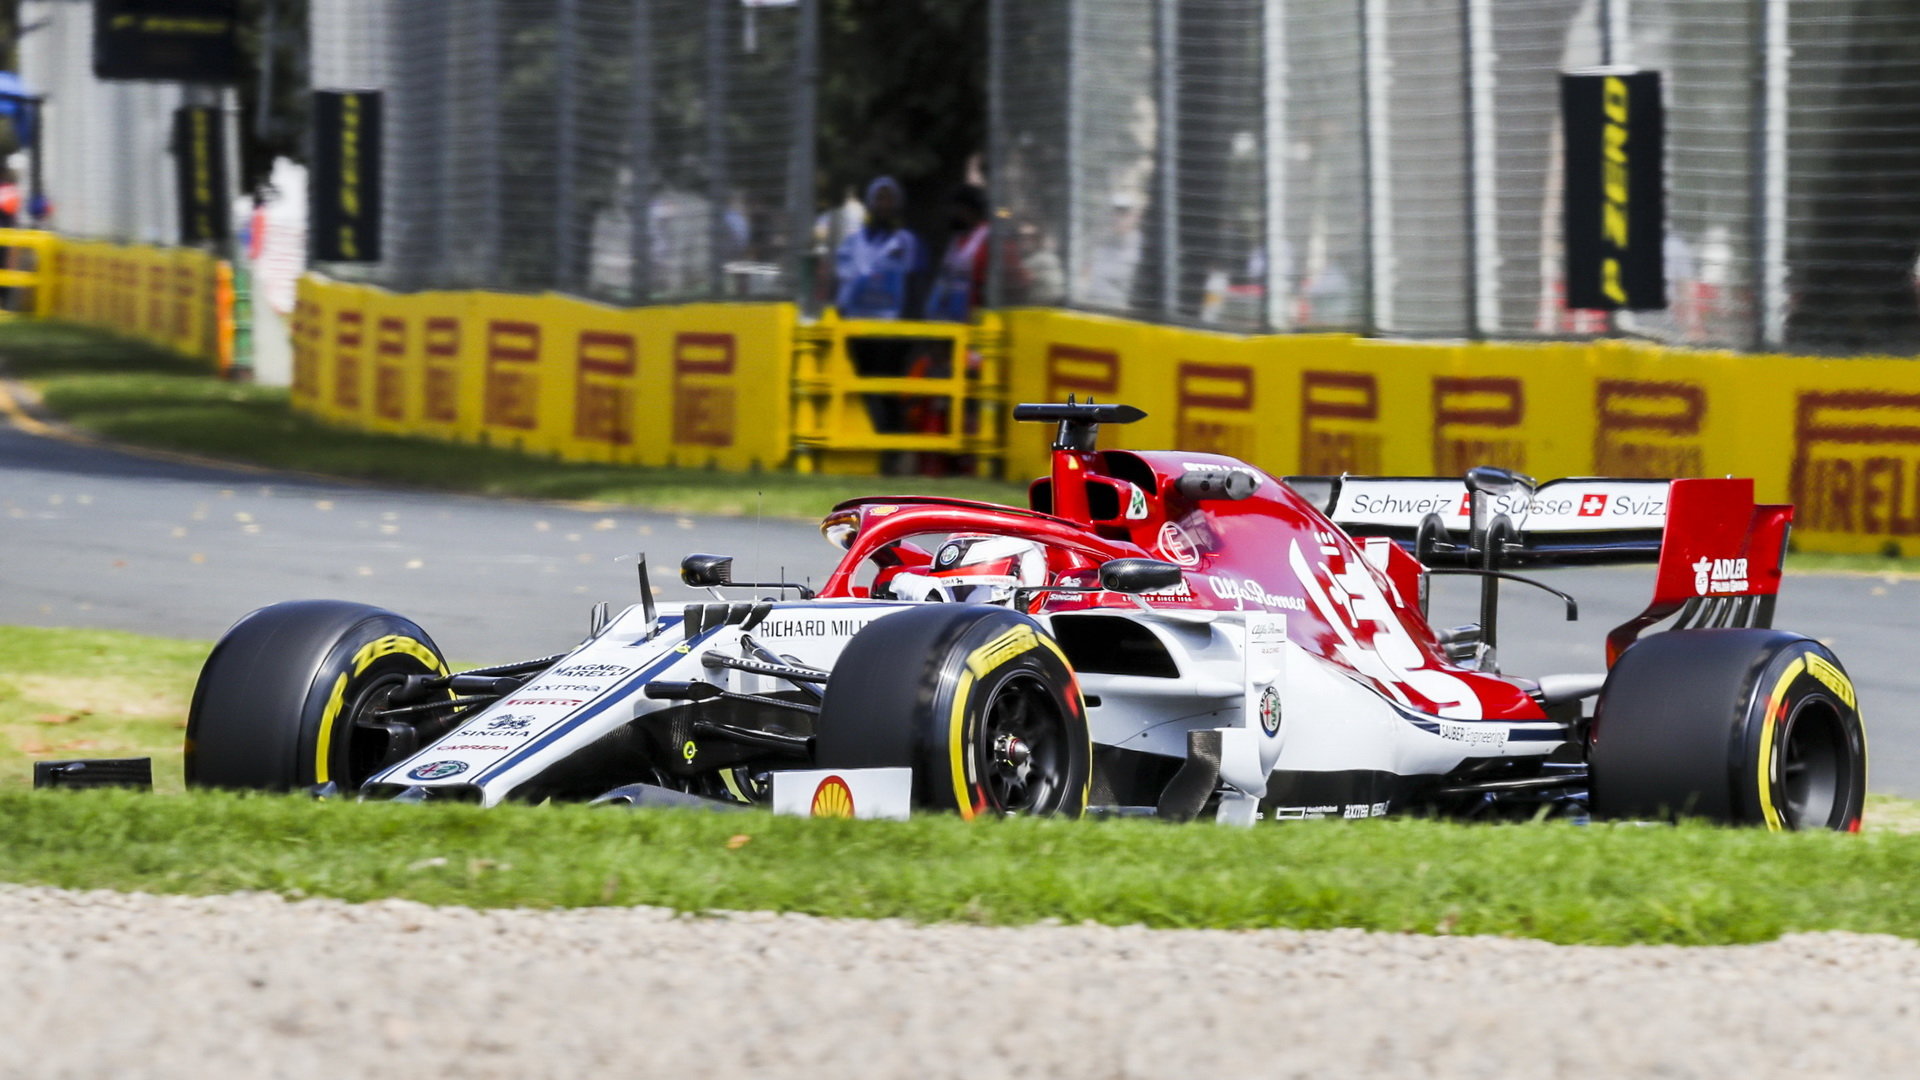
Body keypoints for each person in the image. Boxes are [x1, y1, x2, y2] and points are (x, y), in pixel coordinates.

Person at [833, 176, 921, 319]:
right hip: (855, 324)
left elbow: (914, 287)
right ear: (870, 202)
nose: (884, 205)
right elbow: (842, 288)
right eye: (879, 198)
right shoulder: (852, 242)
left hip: (891, 328)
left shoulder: (906, 242)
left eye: (890, 199)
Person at [924, 184, 992, 322]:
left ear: (968, 210)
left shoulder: (988, 238)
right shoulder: (958, 238)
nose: (951, 213)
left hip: (974, 322)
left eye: (955, 208)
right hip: (948, 319)